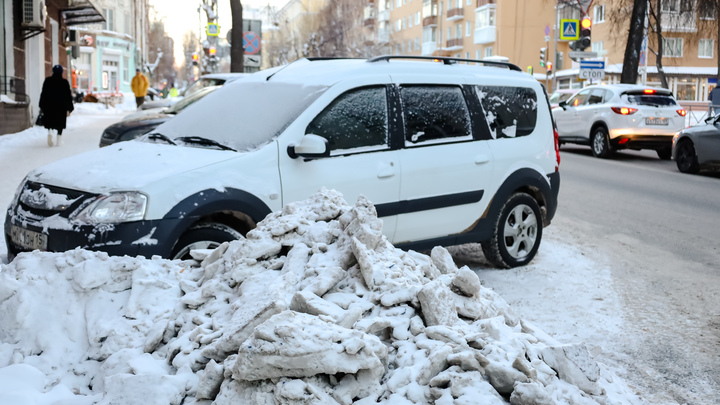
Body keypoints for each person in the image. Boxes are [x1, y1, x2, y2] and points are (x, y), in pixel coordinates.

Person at [39, 65, 74, 147]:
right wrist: (70, 107)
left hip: (49, 106)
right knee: (60, 123)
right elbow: (68, 96)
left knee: (50, 121)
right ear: (62, 72)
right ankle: (59, 140)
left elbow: (43, 94)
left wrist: (41, 105)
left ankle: (50, 132)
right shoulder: (64, 82)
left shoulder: (47, 81)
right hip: (61, 107)